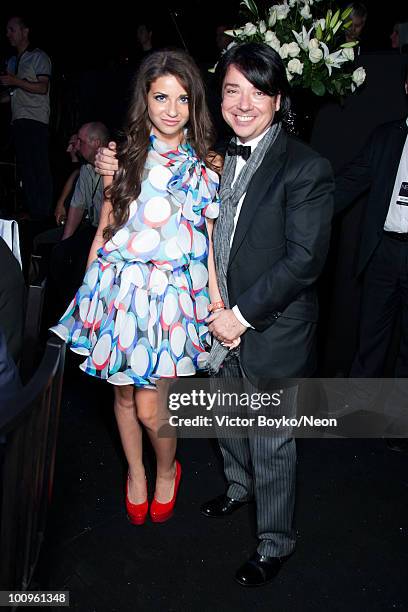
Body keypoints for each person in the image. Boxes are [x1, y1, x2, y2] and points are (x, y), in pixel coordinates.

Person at [95, 42, 334, 585]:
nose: (243, 102)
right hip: (212, 320)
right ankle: (236, 487)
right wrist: (106, 162)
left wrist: (241, 315)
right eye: (232, 90)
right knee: (227, 419)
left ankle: (275, 542)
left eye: (257, 91)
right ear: (219, 98)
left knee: (272, 442)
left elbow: (305, 261)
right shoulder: (215, 157)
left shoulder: (307, 166)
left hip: (268, 327)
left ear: (278, 99)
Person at [50, 49, 224, 525]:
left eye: (182, 99)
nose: (171, 109)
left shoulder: (205, 166)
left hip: (169, 301)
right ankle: (136, 473)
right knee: (123, 395)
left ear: (194, 105)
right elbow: (107, 226)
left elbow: (207, 241)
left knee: (153, 408)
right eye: (161, 96)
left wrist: (214, 298)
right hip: (119, 291)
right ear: (144, 100)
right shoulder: (120, 157)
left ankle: (167, 469)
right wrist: (87, 293)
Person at [334, 67, 408, 452]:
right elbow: (348, 183)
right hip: (383, 250)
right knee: (371, 336)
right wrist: (303, 212)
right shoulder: (386, 136)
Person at [47, 122, 110, 316]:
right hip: (93, 229)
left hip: (112, 234)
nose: (77, 146)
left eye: (81, 142)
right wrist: (66, 241)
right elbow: (77, 205)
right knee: (61, 252)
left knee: (82, 263)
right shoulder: (86, 170)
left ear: (96, 143)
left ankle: (83, 314)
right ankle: (59, 315)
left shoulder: (116, 167)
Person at [0, 15, 52, 220]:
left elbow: (42, 87)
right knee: (26, 169)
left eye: (11, 29)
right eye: (7, 30)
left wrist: (15, 80)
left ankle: (45, 215)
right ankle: (33, 212)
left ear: (25, 31)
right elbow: (13, 93)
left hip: (36, 120)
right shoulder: (13, 61)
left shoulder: (39, 57)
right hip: (19, 120)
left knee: (39, 167)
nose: (8, 34)